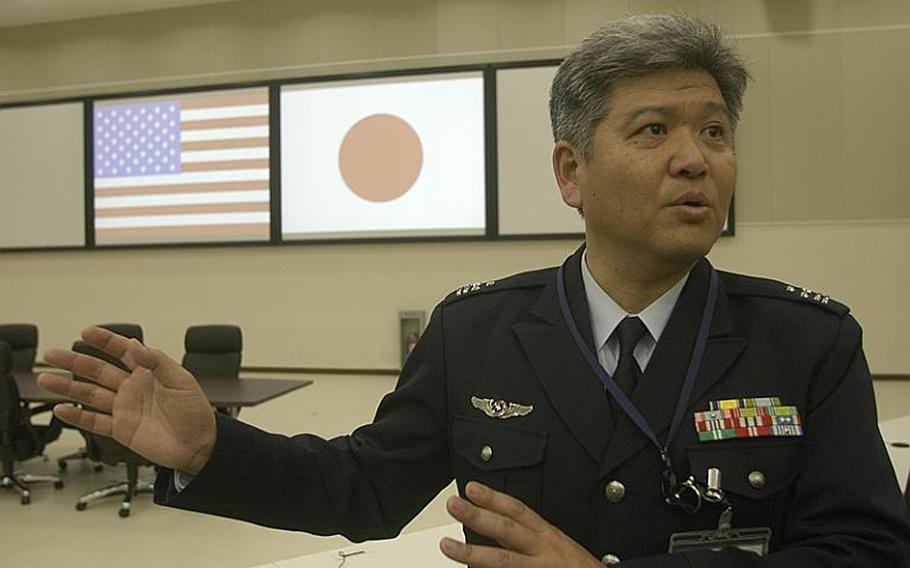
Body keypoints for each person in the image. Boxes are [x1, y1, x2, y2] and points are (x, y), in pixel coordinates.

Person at [38, 13, 910, 567]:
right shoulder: (476, 331)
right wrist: (209, 451)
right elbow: (364, 491)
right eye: (655, 130)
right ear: (571, 171)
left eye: (715, 131)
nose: (697, 157)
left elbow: (866, 549)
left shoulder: (808, 343)